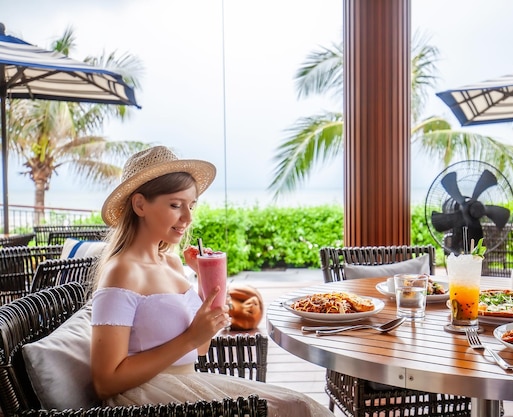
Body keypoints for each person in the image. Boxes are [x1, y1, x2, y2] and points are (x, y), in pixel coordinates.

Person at [90, 146, 334, 417]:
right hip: (149, 401)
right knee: (296, 410)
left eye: (191, 205)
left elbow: (200, 347)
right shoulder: (122, 272)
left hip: (188, 384)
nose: (188, 218)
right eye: (175, 205)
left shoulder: (171, 264)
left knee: (300, 405)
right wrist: (189, 338)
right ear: (140, 204)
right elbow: (105, 382)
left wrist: (205, 282)